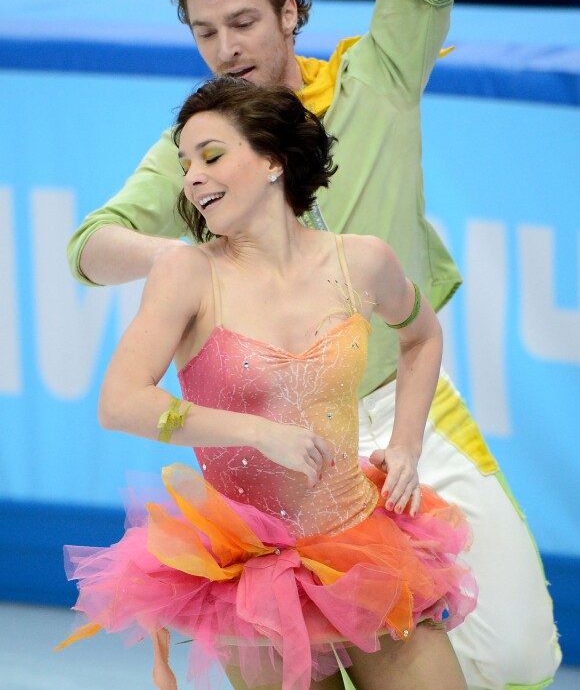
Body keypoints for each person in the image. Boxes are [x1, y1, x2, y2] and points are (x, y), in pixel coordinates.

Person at [66, 0, 561, 689]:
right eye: (205, 32)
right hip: (278, 446)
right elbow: (91, 247)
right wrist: (187, 260)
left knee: (520, 654)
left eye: (244, 22)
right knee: (303, 663)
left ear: (290, 13)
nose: (226, 49)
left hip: (403, 406)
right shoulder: (196, 150)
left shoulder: (381, 74)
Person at [59, 77, 476, 690]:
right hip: (250, 576)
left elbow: (423, 334)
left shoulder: (360, 260)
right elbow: (120, 403)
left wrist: (407, 444)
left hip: (365, 545)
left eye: (212, 155)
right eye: (184, 163)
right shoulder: (186, 272)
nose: (193, 177)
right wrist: (257, 432)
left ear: (275, 160)